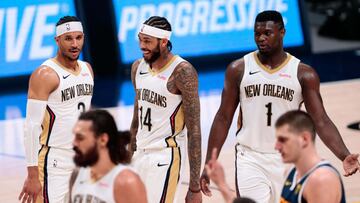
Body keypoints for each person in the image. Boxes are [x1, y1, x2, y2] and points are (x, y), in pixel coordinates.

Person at [200, 10, 359, 203]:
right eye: (257, 34)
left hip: (287, 158)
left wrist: (344, 155)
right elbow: (223, 117)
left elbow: (320, 120)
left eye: (267, 33)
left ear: (282, 32)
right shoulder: (238, 69)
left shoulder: (303, 74)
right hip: (250, 158)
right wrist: (210, 162)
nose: (261, 38)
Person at [18, 16, 94, 203]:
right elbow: (31, 126)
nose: (75, 44)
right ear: (57, 40)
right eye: (68, 38)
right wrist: (32, 174)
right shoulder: (45, 74)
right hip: (54, 161)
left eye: (78, 37)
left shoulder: (87, 69)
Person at [129, 16, 202, 203]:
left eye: (147, 41)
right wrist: (130, 154)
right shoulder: (138, 67)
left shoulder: (182, 71)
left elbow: (194, 131)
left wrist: (194, 186)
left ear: (163, 42)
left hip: (165, 156)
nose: (141, 45)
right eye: (140, 39)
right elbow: (137, 117)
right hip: (140, 153)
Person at [69, 109, 147, 203]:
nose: (74, 143)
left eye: (80, 138)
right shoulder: (77, 174)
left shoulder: (126, 181)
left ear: (103, 140)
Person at [275, 110, 347, 203]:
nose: (276, 146)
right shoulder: (291, 171)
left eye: (283, 140)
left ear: (304, 139)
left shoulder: (321, 180)